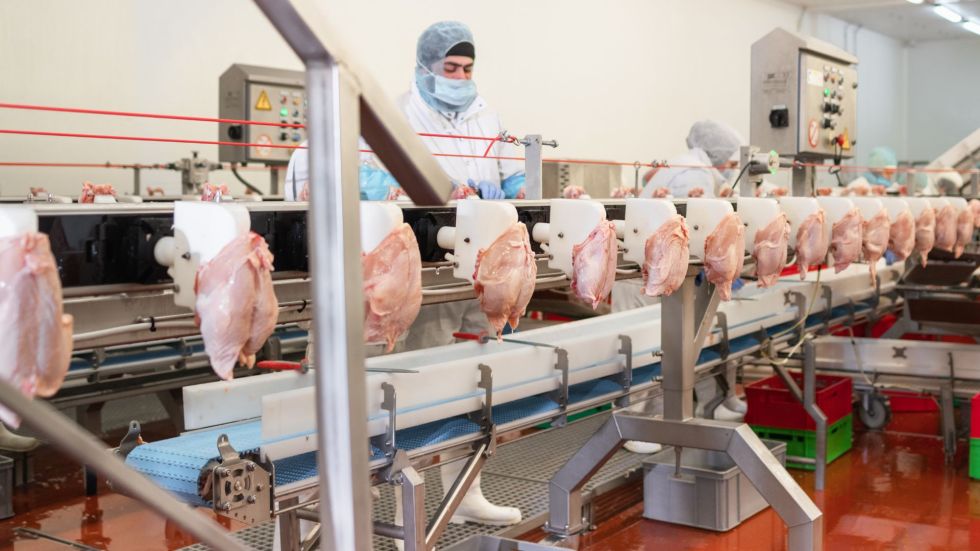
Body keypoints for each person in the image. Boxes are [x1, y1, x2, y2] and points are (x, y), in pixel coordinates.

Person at [284, 20, 524, 529]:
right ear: (425, 67)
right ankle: (326, 513)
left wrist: (521, 190)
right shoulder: (393, 116)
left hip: (472, 266)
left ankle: (464, 495)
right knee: (391, 390)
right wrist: (404, 188)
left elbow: (512, 177)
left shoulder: (488, 117)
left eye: (467, 69)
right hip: (404, 267)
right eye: (450, 68)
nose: (460, 78)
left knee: (468, 379)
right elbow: (346, 174)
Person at [639, 120, 743, 199]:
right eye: (732, 165)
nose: (733, 170)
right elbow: (696, 218)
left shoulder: (685, 162)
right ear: (717, 156)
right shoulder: (698, 174)